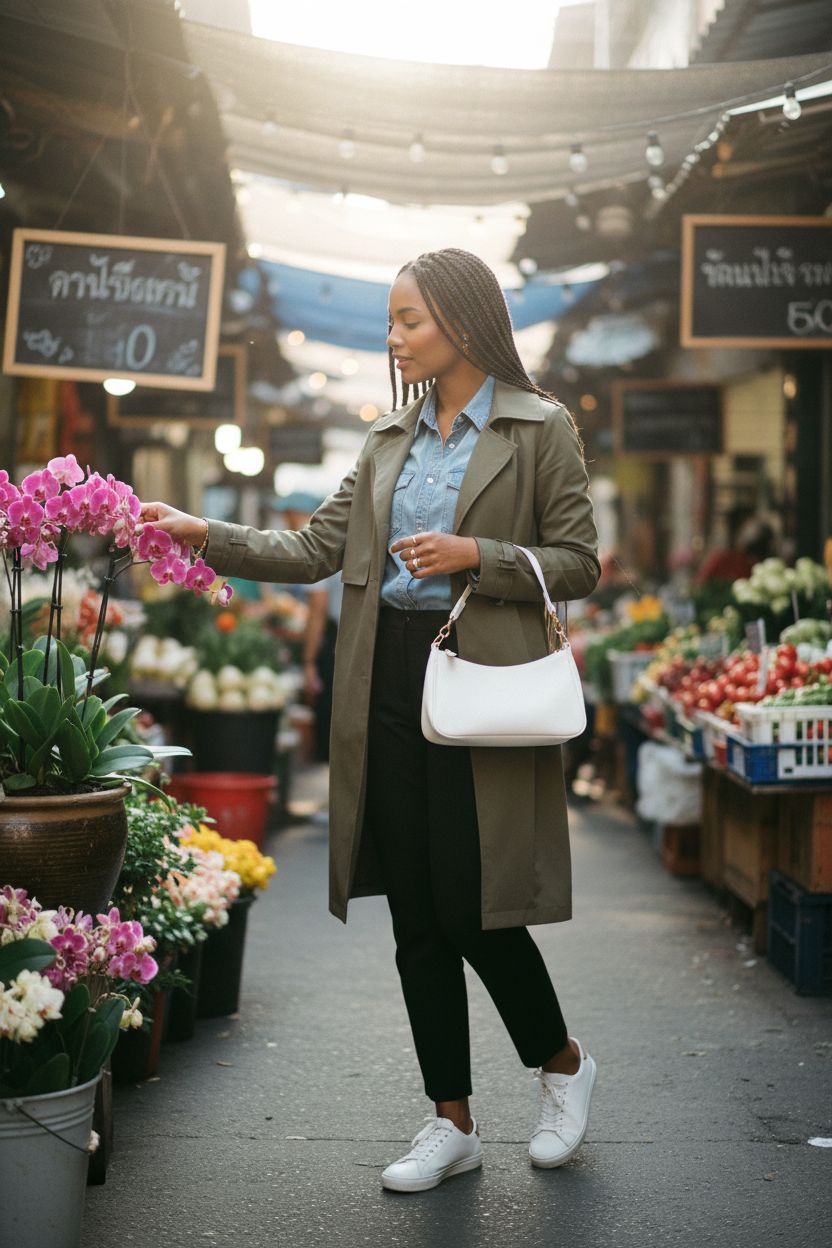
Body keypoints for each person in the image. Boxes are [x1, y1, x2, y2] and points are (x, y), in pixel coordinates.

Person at [139, 247, 601, 1194]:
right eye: (392, 320)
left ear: (464, 324)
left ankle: (562, 1066)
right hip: (385, 675)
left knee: (476, 905)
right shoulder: (388, 439)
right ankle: (451, 1121)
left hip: (480, 676)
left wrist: (479, 552)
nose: (392, 338)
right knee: (416, 911)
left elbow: (583, 562)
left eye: (408, 321)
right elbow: (314, 547)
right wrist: (207, 534)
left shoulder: (538, 428)